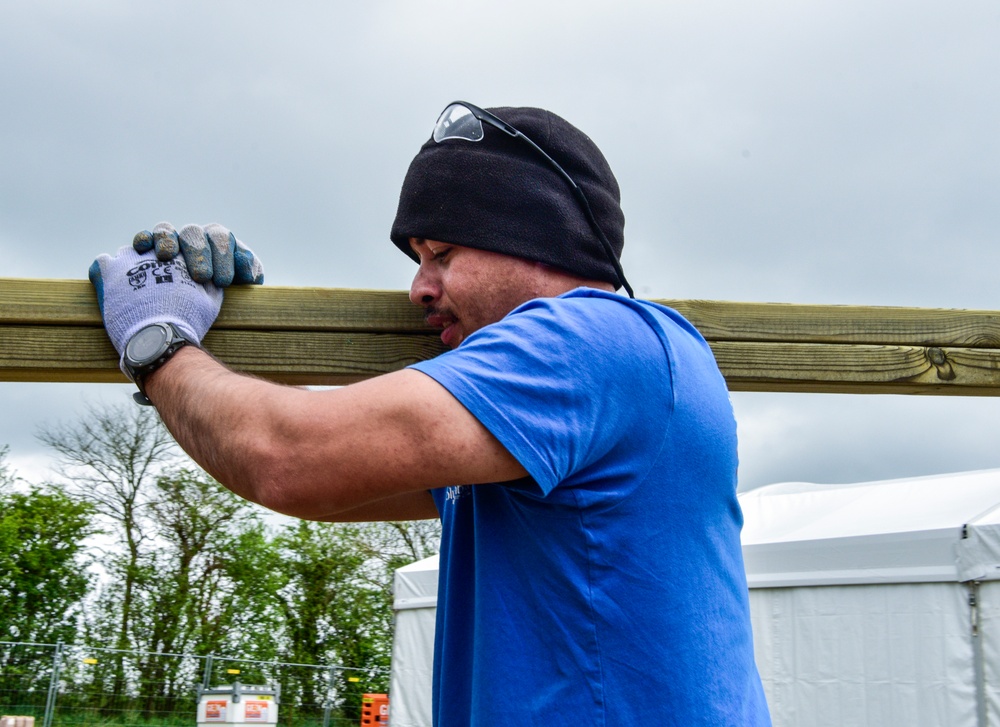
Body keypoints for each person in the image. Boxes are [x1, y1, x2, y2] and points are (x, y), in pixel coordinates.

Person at [89, 102, 771, 725]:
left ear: (541, 239)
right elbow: (328, 475)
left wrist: (159, 342)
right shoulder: (573, 400)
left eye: (442, 254)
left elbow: (289, 457)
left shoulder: (591, 340)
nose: (419, 287)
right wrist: (209, 348)